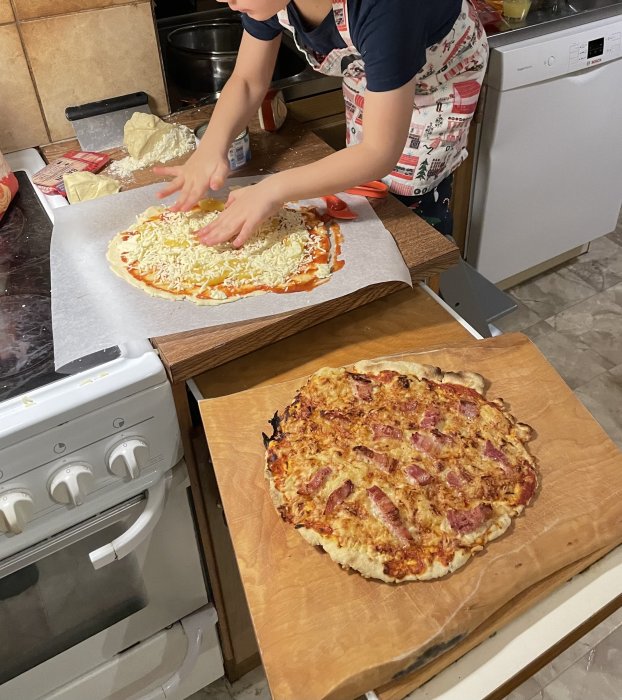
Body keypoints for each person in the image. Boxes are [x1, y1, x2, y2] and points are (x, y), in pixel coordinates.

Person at [155, 0, 489, 247]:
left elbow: (379, 151)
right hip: (383, 68)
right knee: (362, 181)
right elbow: (246, 79)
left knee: (406, 198)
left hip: (440, 85)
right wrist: (211, 147)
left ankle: (426, 274)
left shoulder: (387, 10)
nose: (223, 0)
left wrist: (272, 190)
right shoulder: (266, 3)